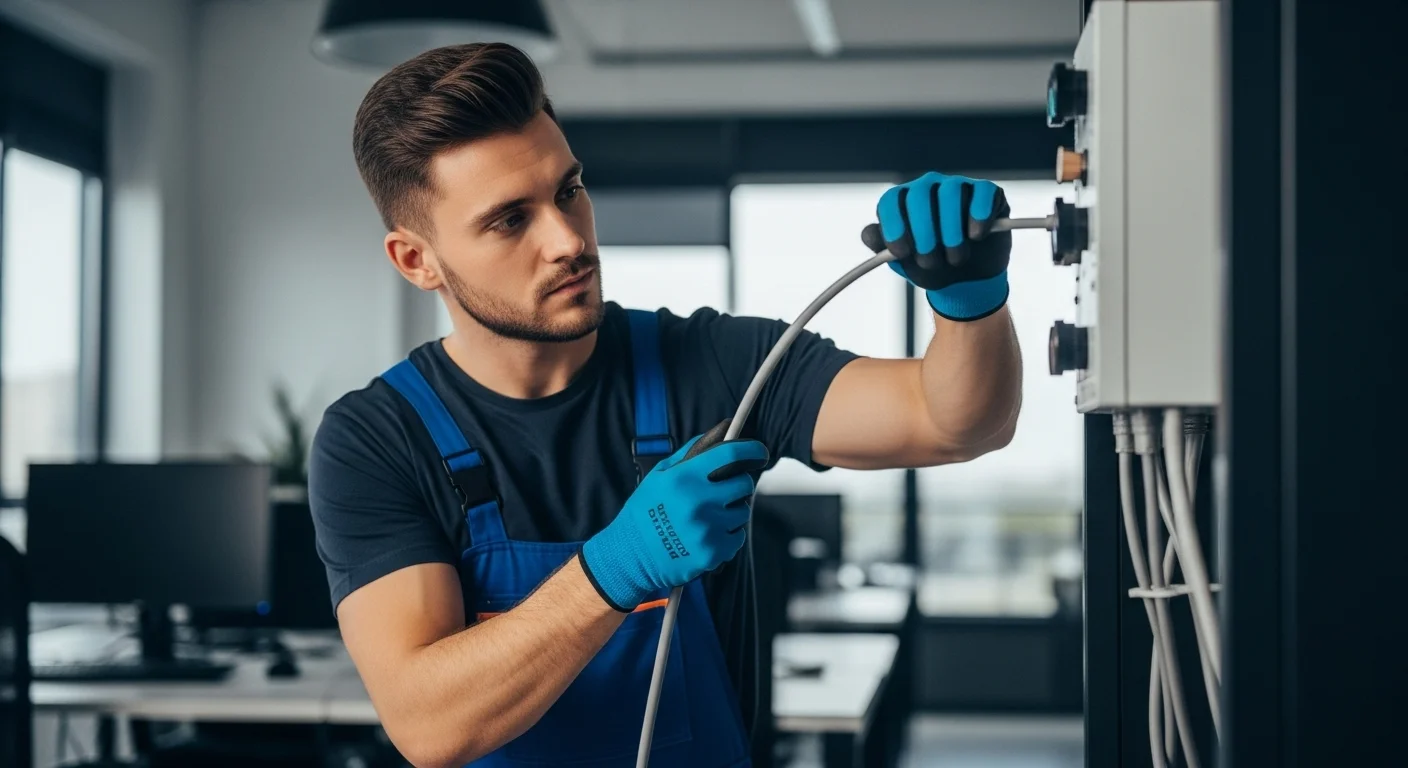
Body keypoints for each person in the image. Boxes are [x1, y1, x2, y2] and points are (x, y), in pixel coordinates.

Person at [309, 42, 1023, 768]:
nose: (568, 240)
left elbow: (959, 421)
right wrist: (614, 571)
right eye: (508, 220)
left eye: (567, 191)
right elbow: (430, 725)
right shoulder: (376, 439)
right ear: (416, 260)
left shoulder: (714, 364)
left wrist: (969, 301)